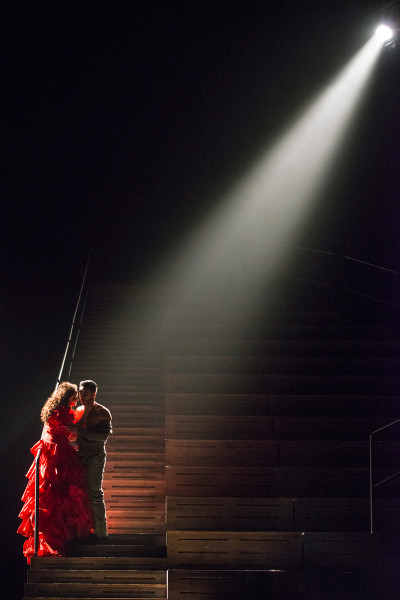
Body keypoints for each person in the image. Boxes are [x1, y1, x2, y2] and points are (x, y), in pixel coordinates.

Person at [18, 382, 93, 563]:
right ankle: (65, 538)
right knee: (66, 494)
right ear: (67, 397)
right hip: (60, 454)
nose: (75, 401)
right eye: (74, 397)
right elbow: (72, 434)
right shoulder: (64, 412)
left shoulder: (51, 411)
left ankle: (58, 537)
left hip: (47, 454)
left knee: (50, 497)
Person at [73, 380, 112, 540]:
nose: (82, 397)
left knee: (94, 493)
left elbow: (102, 437)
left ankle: (101, 533)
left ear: (94, 394)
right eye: (81, 393)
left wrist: (79, 431)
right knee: (78, 492)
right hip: (80, 454)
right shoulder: (78, 410)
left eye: (86, 394)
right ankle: (82, 530)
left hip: (95, 456)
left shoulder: (103, 412)